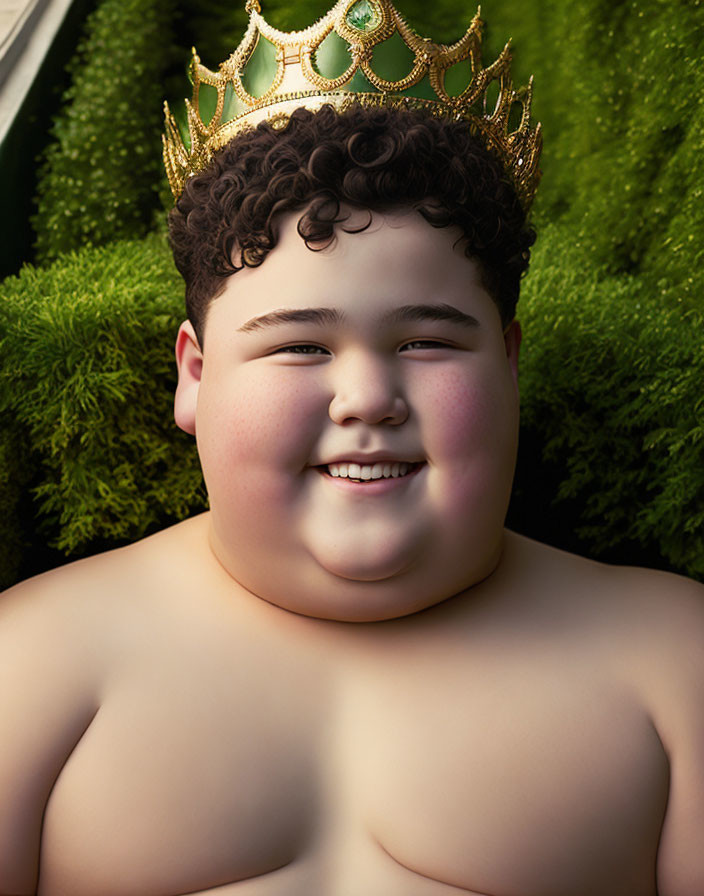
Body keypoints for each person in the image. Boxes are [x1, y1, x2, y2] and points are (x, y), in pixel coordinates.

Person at [1, 1, 703, 894]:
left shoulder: (675, 668)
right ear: (195, 373)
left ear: (511, 365)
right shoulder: (30, 667)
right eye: (299, 345)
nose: (368, 398)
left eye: (426, 343)